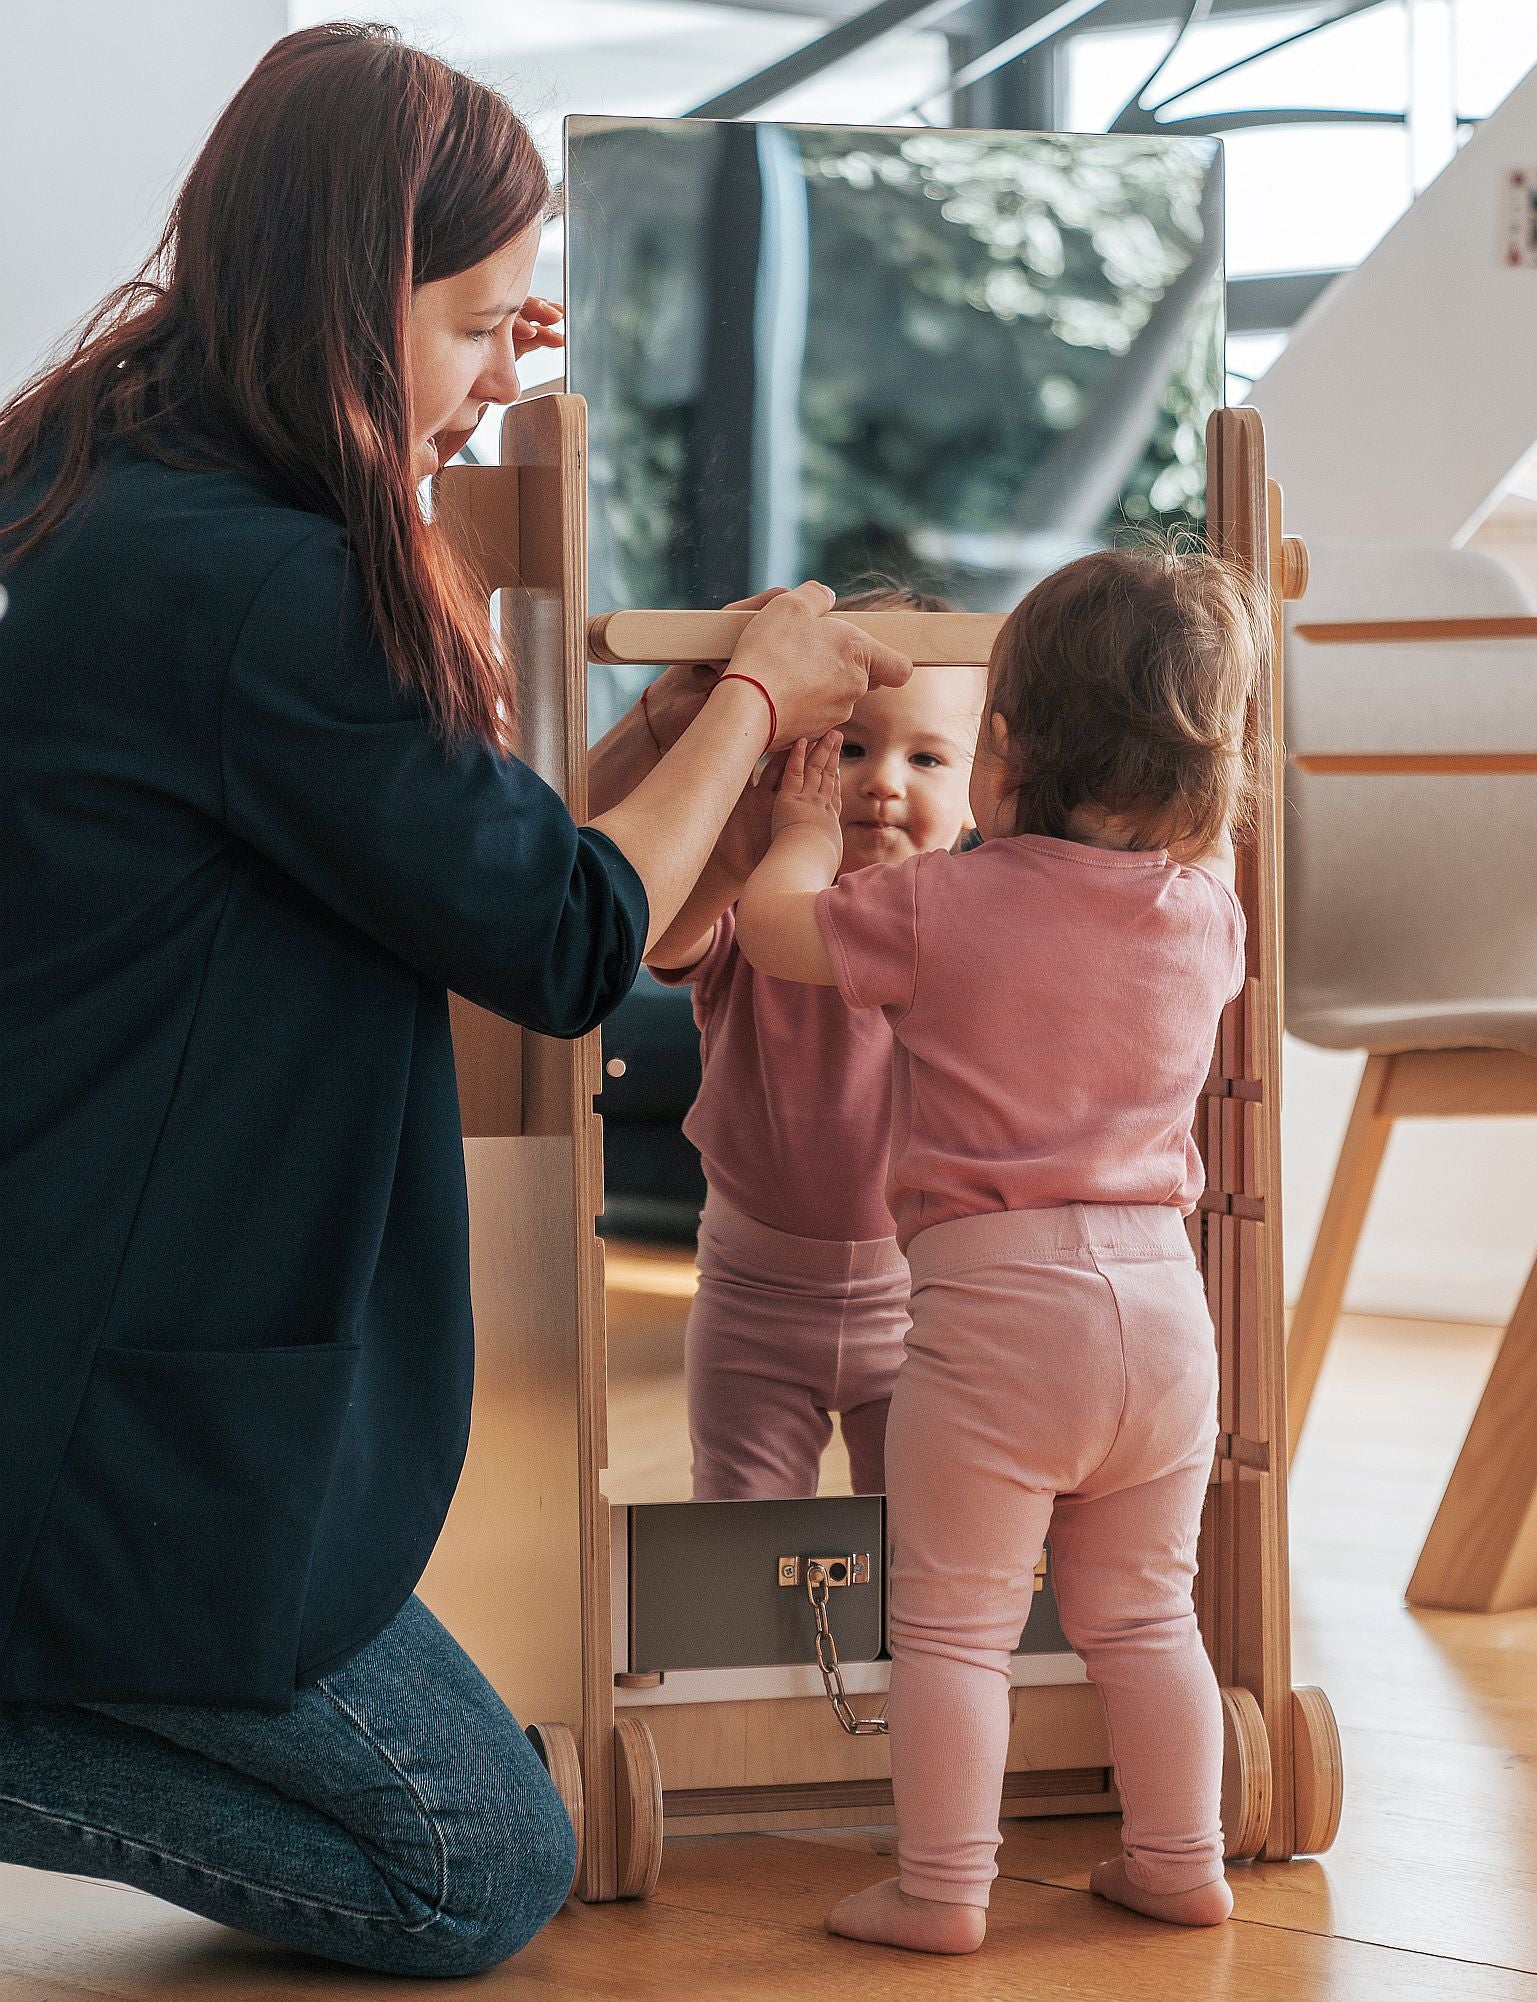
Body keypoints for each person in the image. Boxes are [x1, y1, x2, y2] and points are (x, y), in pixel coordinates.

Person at [0, 23, 907, 1978]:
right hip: (98, 1404)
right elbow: (570, 941)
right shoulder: (271, 588)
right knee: (475, 1861)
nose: (514, 374)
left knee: (486, 1794)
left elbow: (456, 873)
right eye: (486, 324)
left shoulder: (110, 483)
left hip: (88, 1332)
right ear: (352, 298)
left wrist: (670, 756)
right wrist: (754, 698)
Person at [732, 544, 1260, 1953]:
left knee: (956, 1628)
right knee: (1146, 1611)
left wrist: (796, 831)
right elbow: (1167, 871)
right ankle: (1180, 1856)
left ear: (1002, 753)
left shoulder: (941, 907)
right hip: (1162, 1304)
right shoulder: (1211, 918)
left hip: (998, 1306)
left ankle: (941, 1891)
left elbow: (776, 936)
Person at [646, 590, 985, 1502]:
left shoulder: (977, 926)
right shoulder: (760, 906)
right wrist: (735, 856)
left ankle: (904, 1653)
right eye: (852, 749)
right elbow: (666, 942)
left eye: (927, 757)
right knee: (741, 1527)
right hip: (750, 1295)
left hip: (921, 1301)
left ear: (977, 792)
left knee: (914, 1531)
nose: (883, 782)